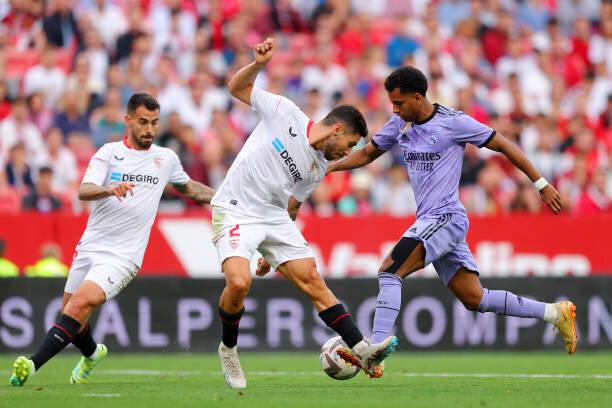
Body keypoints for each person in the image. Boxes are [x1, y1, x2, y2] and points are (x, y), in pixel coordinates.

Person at [328, 66, 576, 377]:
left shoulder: (453, 123)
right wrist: (330, 168)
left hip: (445, 217)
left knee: (390, 271)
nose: (394, 109)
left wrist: (541, 183)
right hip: (433, 222)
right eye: (392, 103)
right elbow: (367, 154)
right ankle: (555, 313)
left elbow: (504, 145)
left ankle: (374, 350)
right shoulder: (399, 123)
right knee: (476, 299)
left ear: (418, 98)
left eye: (399, 103)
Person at [212, 37, 397, 389]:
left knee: (314, 281)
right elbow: (235, 87)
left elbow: (293, 206)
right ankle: (228, 349)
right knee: (239, 282)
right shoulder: (284, 111)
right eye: (350, 144)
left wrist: (273, 249)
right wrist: (258, 65)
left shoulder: (318, 168)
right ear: (339, 129)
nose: (347, 152)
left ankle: (362, 349)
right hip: (235, 209)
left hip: (273, 218)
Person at [9, 93, 215, 387]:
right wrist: (109, 189)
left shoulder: (165, 158)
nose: (150, 130)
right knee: (71, 314)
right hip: (91, 247)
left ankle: (31, 365)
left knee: (78, 305)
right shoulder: (108, 153)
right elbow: (84, 190)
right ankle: (93, 354)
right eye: (143, 122)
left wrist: (224, 200)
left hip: (124, 256)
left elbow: (191, 189)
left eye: (155, 123)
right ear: (128, 120)